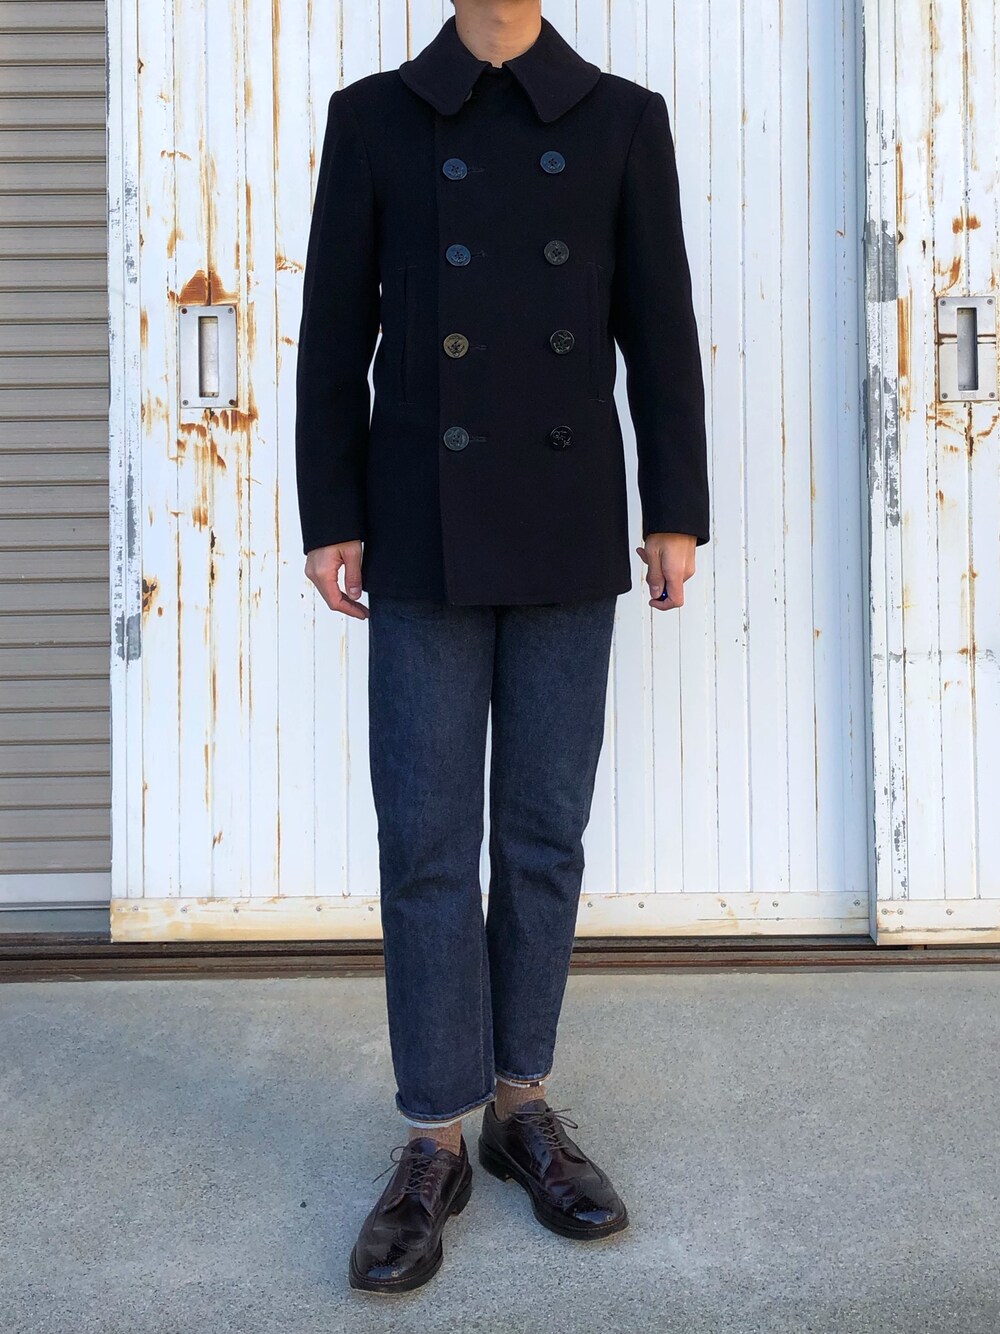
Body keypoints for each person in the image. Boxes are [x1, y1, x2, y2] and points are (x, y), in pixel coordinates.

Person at [294, 0, 710, 1294]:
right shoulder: (373, 119)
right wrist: (331, 511)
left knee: (542, 832)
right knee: (425, 839)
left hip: (567, 519)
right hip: (420, 523)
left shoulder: (622, 120)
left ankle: (521, 1104)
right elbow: (333, 333)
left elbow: (660, 327)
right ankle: (435, 1135)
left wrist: (676, 508)